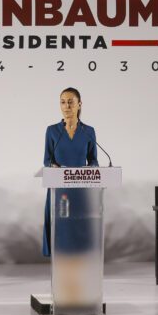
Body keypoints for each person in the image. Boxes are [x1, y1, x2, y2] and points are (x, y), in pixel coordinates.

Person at [42, 87, 99, 257]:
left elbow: (93, 159)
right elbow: (47, 160)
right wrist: (52, 167)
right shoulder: (52, 131)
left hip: (81, 191)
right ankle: (61, 273)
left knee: (78, 233)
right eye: (62, 102)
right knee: (61, 233)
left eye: (70, 102)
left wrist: (92, 168)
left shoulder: (88, 131)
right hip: (59, 191)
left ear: (79, 104)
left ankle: (79, 271)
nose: (66, 106)